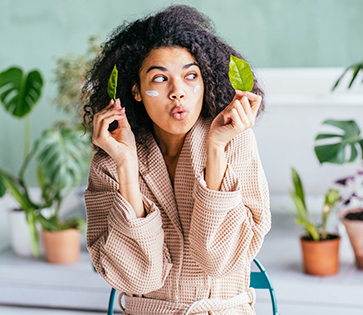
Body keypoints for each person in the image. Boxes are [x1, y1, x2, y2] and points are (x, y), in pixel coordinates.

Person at [82, 5, 271, 314]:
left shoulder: (235, 141)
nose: (178, 92)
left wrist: (216, 150)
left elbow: (220, 261)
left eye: (190, 76)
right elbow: (136, 278)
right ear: (137, 91)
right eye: (159, 79)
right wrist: (127, 167)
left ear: (206, 81)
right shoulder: (111, 161)